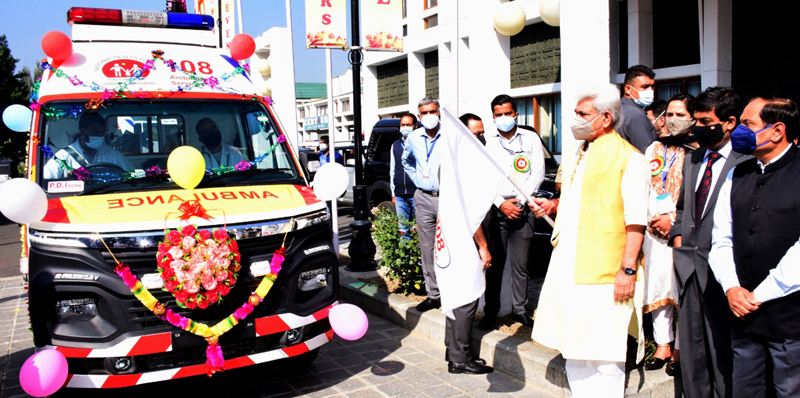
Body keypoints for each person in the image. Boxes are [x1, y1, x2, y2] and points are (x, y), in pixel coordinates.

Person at [530, 84, 649, 396]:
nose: (575, 120)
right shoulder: (577, 151)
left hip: (605, 271)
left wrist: (627, 270)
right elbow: (576, 198)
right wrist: (553, 205)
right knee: (574, 343)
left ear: (606, 117)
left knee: (604, 349)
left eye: (583, 114)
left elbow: (636, 221)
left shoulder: (629, 159)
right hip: (568, 264)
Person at [709, 97, 800, 397]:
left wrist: (758, 295)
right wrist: (732, 288)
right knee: (745, 390)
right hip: (742, 314)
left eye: (748, 124)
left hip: (788, 318)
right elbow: (721, 239)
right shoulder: (738, 174)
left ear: (777, 131)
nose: (738, 130)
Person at [669, 86, 749, 398]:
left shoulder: (745, 162)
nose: (697, 128)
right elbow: (681, 206)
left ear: (729, 122)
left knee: (722, 351)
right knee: (691, 353)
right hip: (688, 267)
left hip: (724, 272)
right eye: (696, 121)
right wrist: (678, 236)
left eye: (705, 121)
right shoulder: (693, 159)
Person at [640, 93, 697, 372]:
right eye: (670, 114)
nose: (673, 120)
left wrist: (673, 220)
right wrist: (652, 219)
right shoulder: (653, 149)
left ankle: (680, 349)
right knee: (658, 285)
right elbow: (645, 189)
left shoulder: (698, 151)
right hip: (654, 231)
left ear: (693, 118)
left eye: (681, 115)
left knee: (682, 288)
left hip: (684, 231)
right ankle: (662, 344)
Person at [480, 94, 545, 330]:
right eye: (499, 114)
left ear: (516, 114)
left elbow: (537, 172)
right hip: (496, 209)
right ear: (493, 117)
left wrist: (520, 201)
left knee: (522, 264)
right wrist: (500, 203)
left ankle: (520, 310)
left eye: (508, 113)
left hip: (524, 208)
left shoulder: (530, 138)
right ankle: (491, 312)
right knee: (495, 264)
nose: (504, 118)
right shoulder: (487, 141)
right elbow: (483, 177)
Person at [402, 97, 444, 312]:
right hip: (424, 197)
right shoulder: (414, 137)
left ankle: (451, 292)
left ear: (439, 112)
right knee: (427, 248)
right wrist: (418, 180)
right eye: (424, 112)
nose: (429, 115)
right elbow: (406, 161)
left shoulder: (448, 135)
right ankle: (433, 294)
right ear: (419, 117)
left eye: (432, 111)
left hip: (447, 198)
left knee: (449, 245)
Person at [43, 112, 135, 179]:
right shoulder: (63, 156)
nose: (100, 136)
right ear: (83, 132)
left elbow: (133, 174)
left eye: (102, 133)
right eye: (96, 132)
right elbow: (45, 181)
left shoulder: (113, 155)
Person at [618, 65, 658, 153]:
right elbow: (646, 153)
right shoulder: (636, 115)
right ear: (628, 89)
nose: (650, 91)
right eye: (645, 86)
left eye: (652, 87)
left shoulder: (617, 109)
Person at [390, 113, 418, 236]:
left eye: (408, 125)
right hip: (400, 193)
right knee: (403, 230)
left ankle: (419, 255)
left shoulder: (419, 144)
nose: (405, 127)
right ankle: (404, 255)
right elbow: (393, 170)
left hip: (417, 193)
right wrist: (393, 193)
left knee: (419, 230)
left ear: (415, 126)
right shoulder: (395, 145)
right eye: (403, 125)